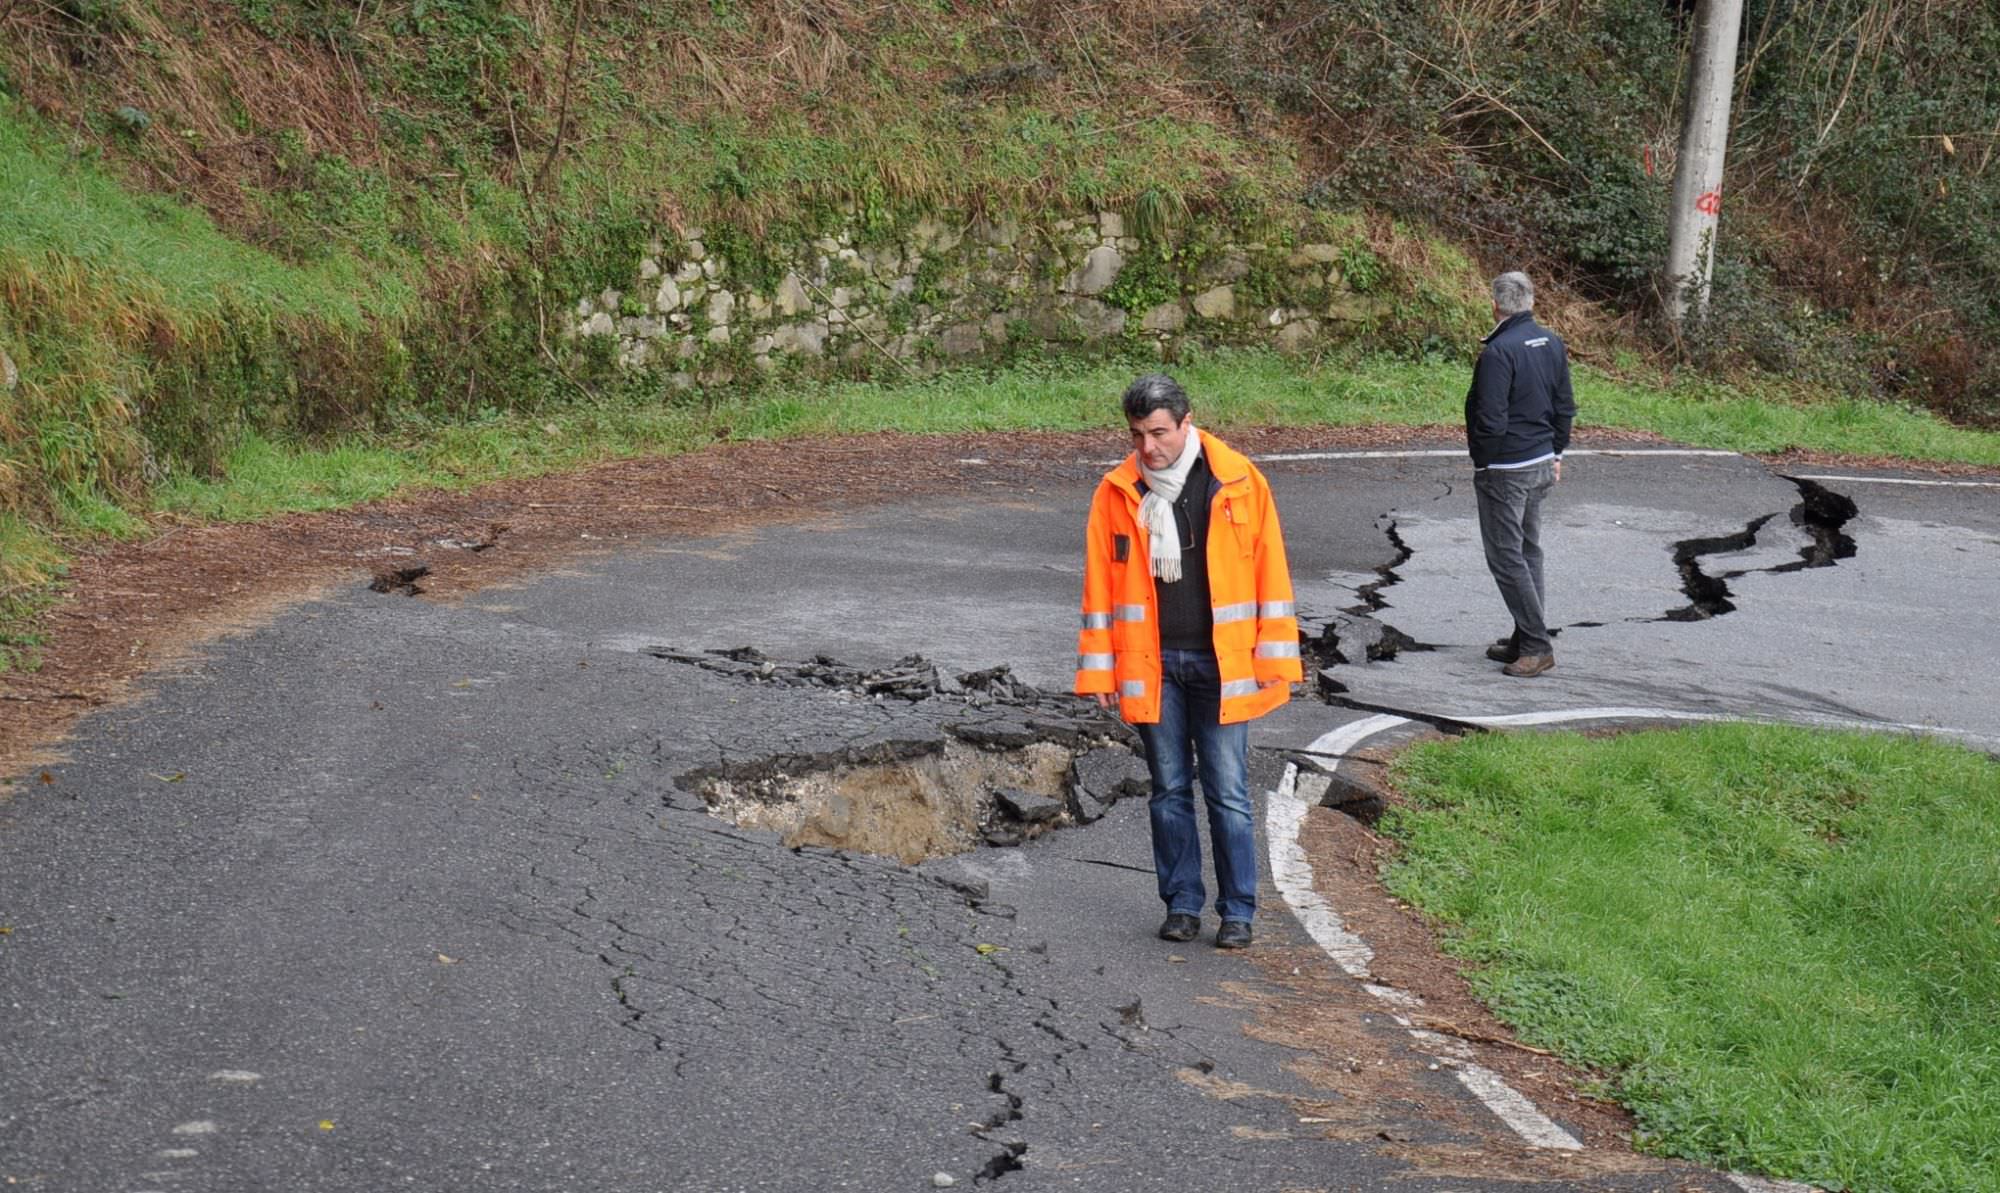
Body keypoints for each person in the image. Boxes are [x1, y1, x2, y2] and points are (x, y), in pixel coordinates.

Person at [1074, 374, 1302, 949]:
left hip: (1224, 667)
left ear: (1186, 422)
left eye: (1158, 433)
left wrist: (1275, 660)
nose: (1148, 448)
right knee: (1169, 790)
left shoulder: (1241, 482)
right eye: (1137, 435)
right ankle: (1181, 905)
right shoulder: (1116, 492)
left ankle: (1238, 913)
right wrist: (1100, 670)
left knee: (1228, 791)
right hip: (1154, 666)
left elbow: (1270, 574)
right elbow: (1099, 589)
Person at [1466, 271, 1575, 678]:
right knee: (1528, 552)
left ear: (1495, 305)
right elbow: (1564, 403)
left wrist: (1484, 462)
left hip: (1507, 468)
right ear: (1531, 301)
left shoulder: (1499, 352)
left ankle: (1535, 644)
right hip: (1542, 461)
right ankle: (1523, 635)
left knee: (1507, 556)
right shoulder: (1551, 341)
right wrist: (1557, 452)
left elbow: (1490, 418)